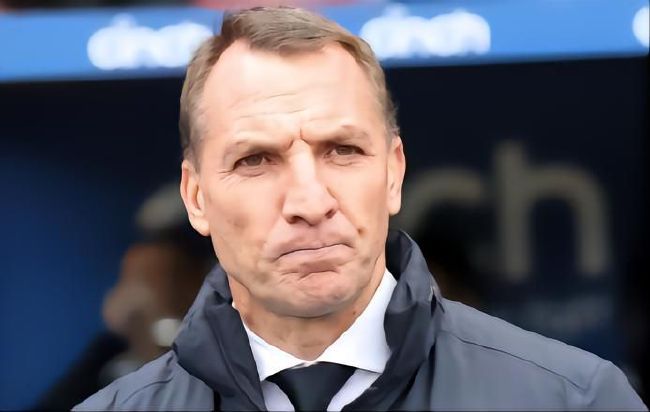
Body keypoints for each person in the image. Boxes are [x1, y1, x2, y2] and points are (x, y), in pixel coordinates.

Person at [75, 6, 646, 411]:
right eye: (256, 160)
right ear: (195, 197)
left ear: (394, 172)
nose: (309, 200)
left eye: (342, 150)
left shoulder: (573, 398)